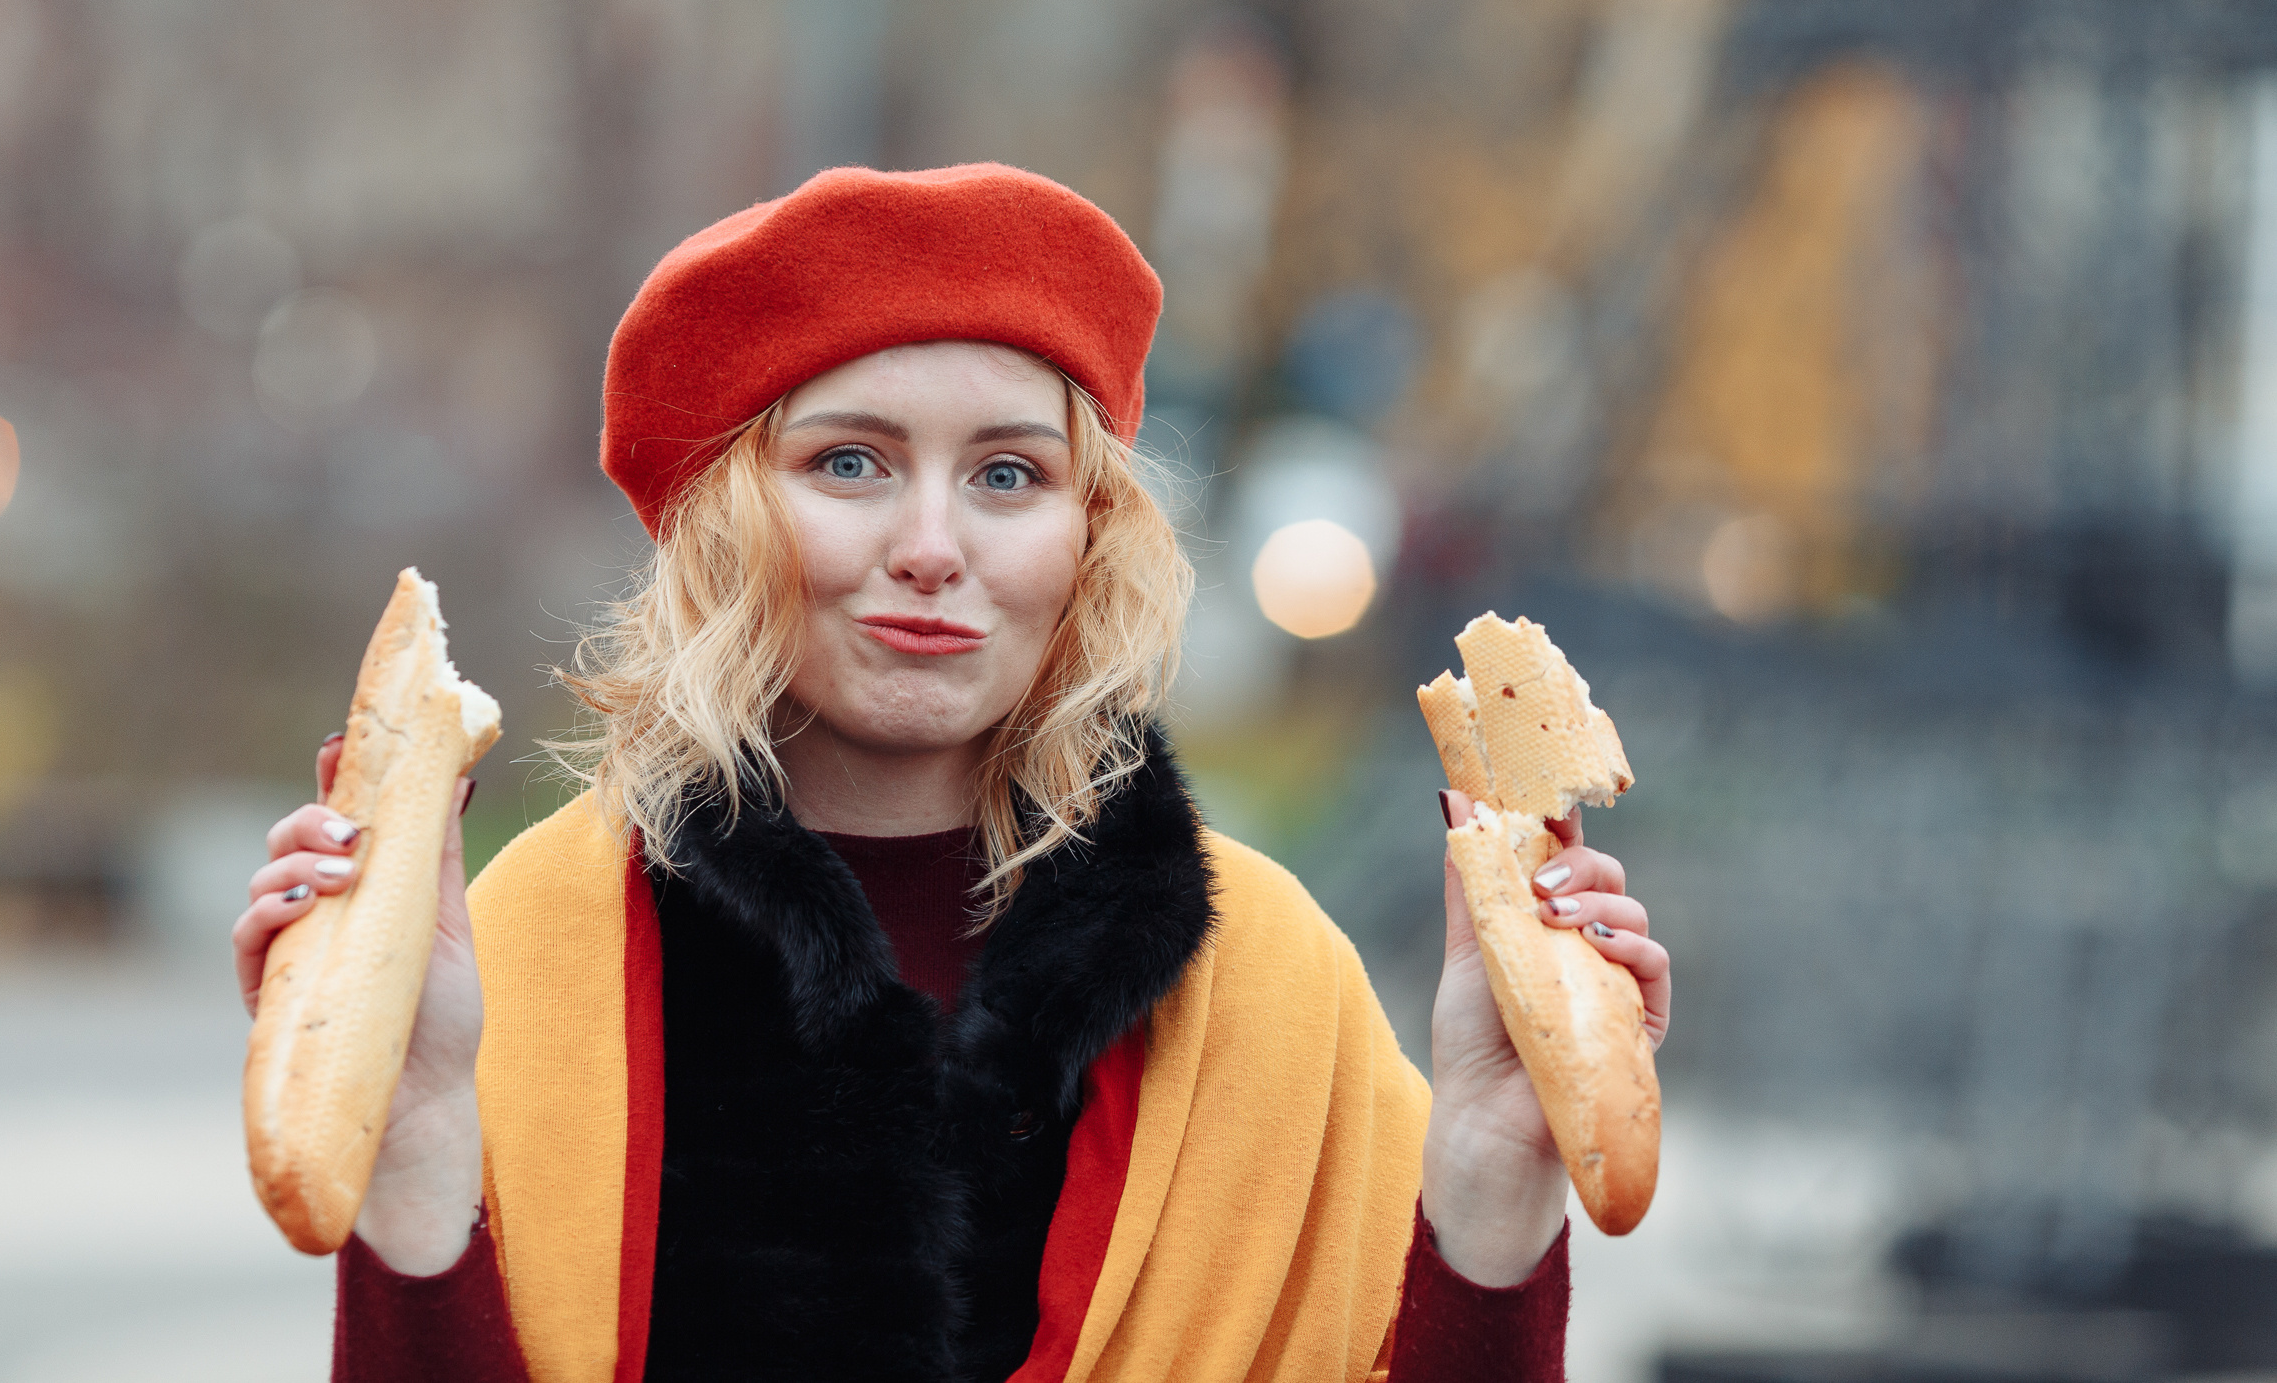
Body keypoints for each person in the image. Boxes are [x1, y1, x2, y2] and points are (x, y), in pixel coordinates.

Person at [232, 164, 1671, 1382]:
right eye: (850, 464)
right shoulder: (532, 948)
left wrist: (1491, 1182)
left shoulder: (1271, 975)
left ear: (1086, 537)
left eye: (1007, 475)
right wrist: (415, 1134)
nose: (935, 545)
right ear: (730, 525)